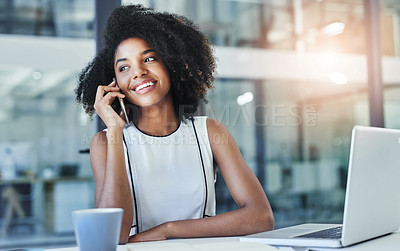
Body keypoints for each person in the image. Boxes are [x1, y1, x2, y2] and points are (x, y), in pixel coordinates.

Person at [75, 4, 274, 244]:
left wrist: (167, 229)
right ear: (114, 83)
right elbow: (113, 235)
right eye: (124, 67)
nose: (137, 72)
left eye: (149, 58)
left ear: (172, 64)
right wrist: (116, 132)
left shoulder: (209, 132)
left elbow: (261, 217)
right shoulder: (105, 143)